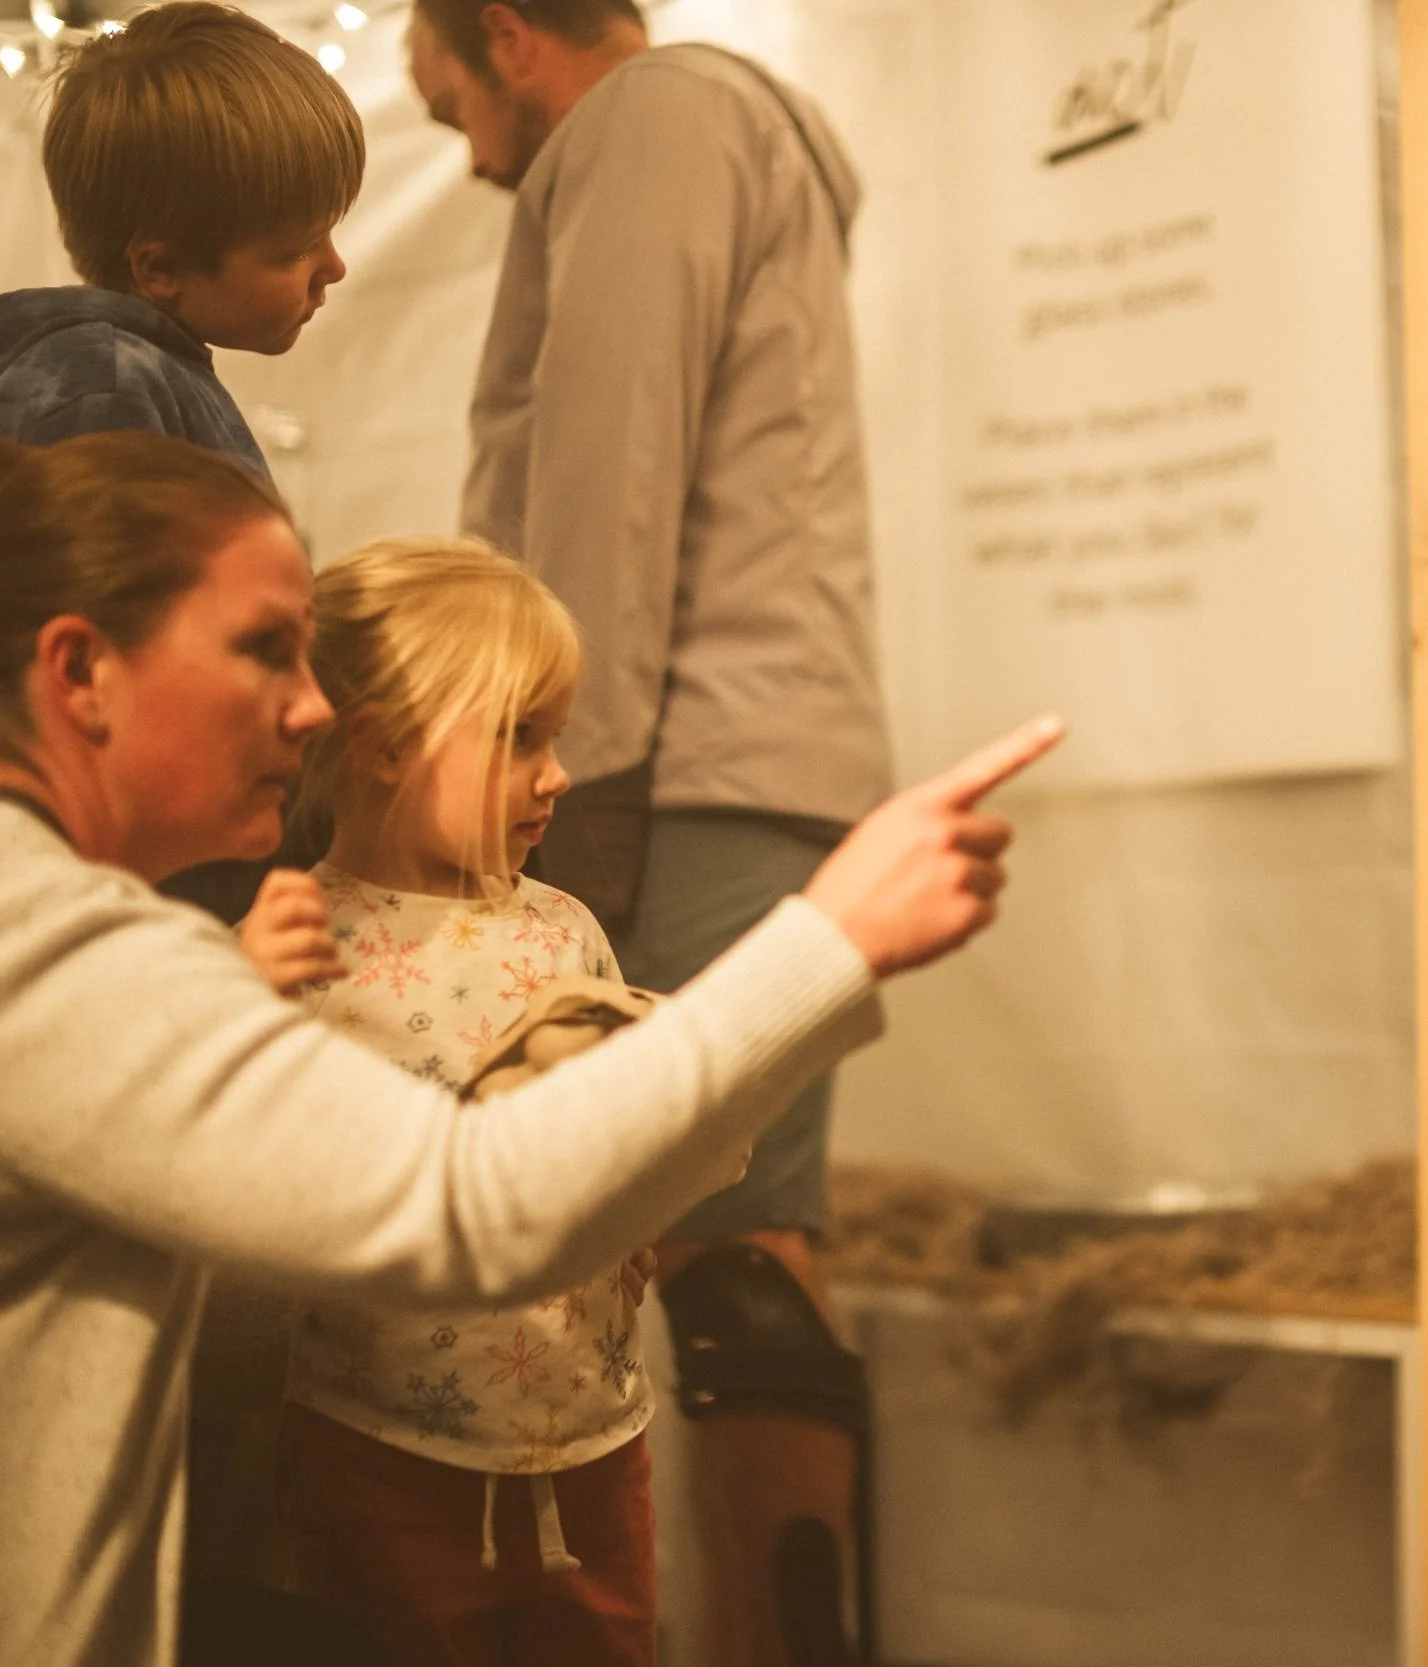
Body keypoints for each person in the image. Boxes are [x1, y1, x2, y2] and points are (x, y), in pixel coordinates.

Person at [0, 426, 1062, 1667]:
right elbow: (461, 1209)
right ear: (80, 672)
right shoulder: (61, 948)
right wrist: (828, 937)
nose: (312, 707)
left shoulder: (105, 933)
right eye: (260, 651)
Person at [407, 4, 893, 1656]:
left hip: (675, 770)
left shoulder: (648, 125)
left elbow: (604, 487)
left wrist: (551, 817)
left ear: (500, 36)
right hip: (727, 765)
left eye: (450, 106)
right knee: (740, 1243)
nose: (472, 159)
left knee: (721, 1246)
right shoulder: (712, 131)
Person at [276, 538, 660, 1666]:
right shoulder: (301, 935)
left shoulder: (563, 925)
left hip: (585, 1420)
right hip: (380, 1433)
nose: (555, 774)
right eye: (517, 737)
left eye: (555, 736)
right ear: (383, 743)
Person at [0, 0, 361, 923]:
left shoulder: (150, 370)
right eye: (295, 249)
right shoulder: (99, 382)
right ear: (159, 268)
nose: (334, 268)